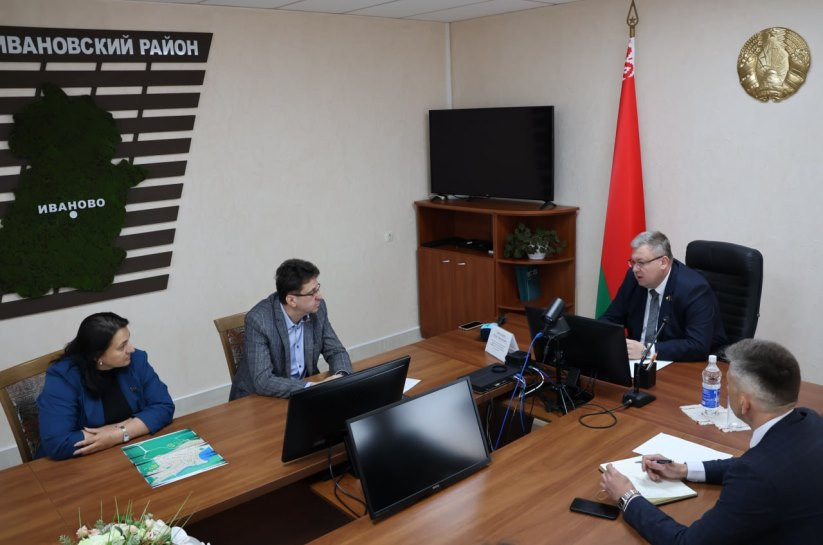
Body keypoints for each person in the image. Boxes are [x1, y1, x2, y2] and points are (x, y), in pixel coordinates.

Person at [600, 338, 823, 544]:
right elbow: (754, 465)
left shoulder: (755, 478)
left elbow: (686, 543)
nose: (726, 389)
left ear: (744, 404)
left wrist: (627, 497)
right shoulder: (810, 421)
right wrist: (684, 470)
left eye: (729, 385)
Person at [37, 312, 174, 460]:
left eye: (128, 340)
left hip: (132, 450)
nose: (131, 349)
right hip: (82, 463)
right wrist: (133, 425)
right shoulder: (63, 376)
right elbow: (57, 442)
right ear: (97, 356)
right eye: (122, 346)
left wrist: (118, 434)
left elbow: (164, 406)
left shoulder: (136, 360)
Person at [230, 258, 352, 400]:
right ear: (291, 300)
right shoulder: (258, 320)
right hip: (257, 398)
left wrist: (341, 376)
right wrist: (311, 388)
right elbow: (263, 381)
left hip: (302, 392)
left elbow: (336, 351)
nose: (319, 296)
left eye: (317, 288)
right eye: (312, 292)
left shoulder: (318, 309)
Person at [599, 231, 726, 361]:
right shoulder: (633, 278)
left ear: (663, 262)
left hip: (677, 364)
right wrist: (597, 335)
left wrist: (646, 350)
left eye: (641, 262)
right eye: (633, 262)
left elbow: (697, 346)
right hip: (635, 362)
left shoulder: (693, 289)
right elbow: (611, 319)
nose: (635, 269)